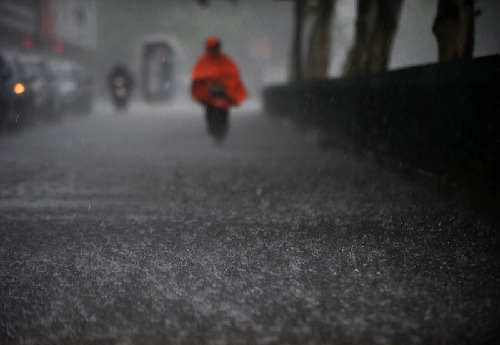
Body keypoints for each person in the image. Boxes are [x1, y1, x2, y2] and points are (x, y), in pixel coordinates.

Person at [191, 36, 247, 142]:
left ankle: (221, 130)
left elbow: (233, 74)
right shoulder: (204, 61)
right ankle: (214, 129)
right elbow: (197, 76)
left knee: (223, 112)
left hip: (222, 93)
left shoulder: (224, 60)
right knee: (210, 111)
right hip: (210, 94)